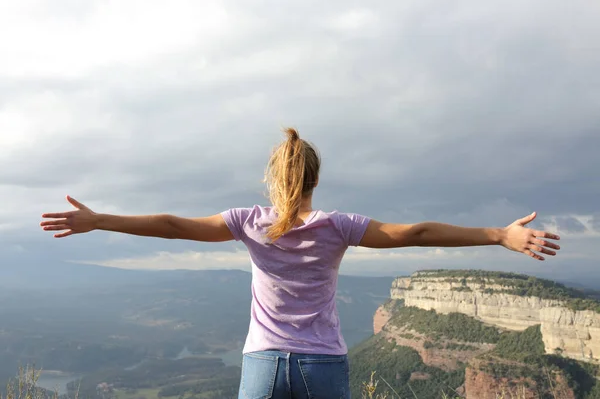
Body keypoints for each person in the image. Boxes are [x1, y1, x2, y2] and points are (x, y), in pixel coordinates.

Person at [40, 128, 560, 399]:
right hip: (322, 364)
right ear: (315, 178)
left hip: (263, 362)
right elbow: (417, 233)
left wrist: (101, 220)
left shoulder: (248, 220)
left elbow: (174, 225)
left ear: (274, 176)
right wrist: (499, 235)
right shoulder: (340, 225)